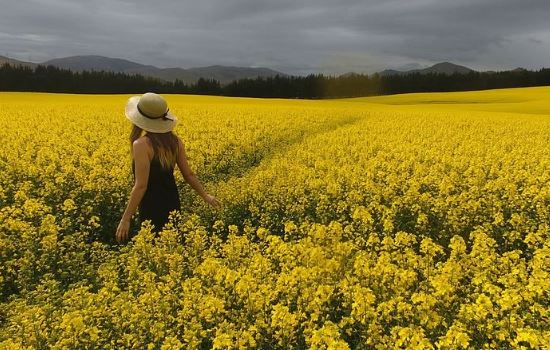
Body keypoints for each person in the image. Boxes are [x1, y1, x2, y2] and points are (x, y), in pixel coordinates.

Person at [116, 92, 221, 244]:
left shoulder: (141, 145)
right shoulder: (175, 142)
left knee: (153, 247)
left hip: (151, 204)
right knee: (172, 248)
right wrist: (206, 196)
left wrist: (125, 219)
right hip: (172, 202)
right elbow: (189, 174)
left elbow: (141, 186)